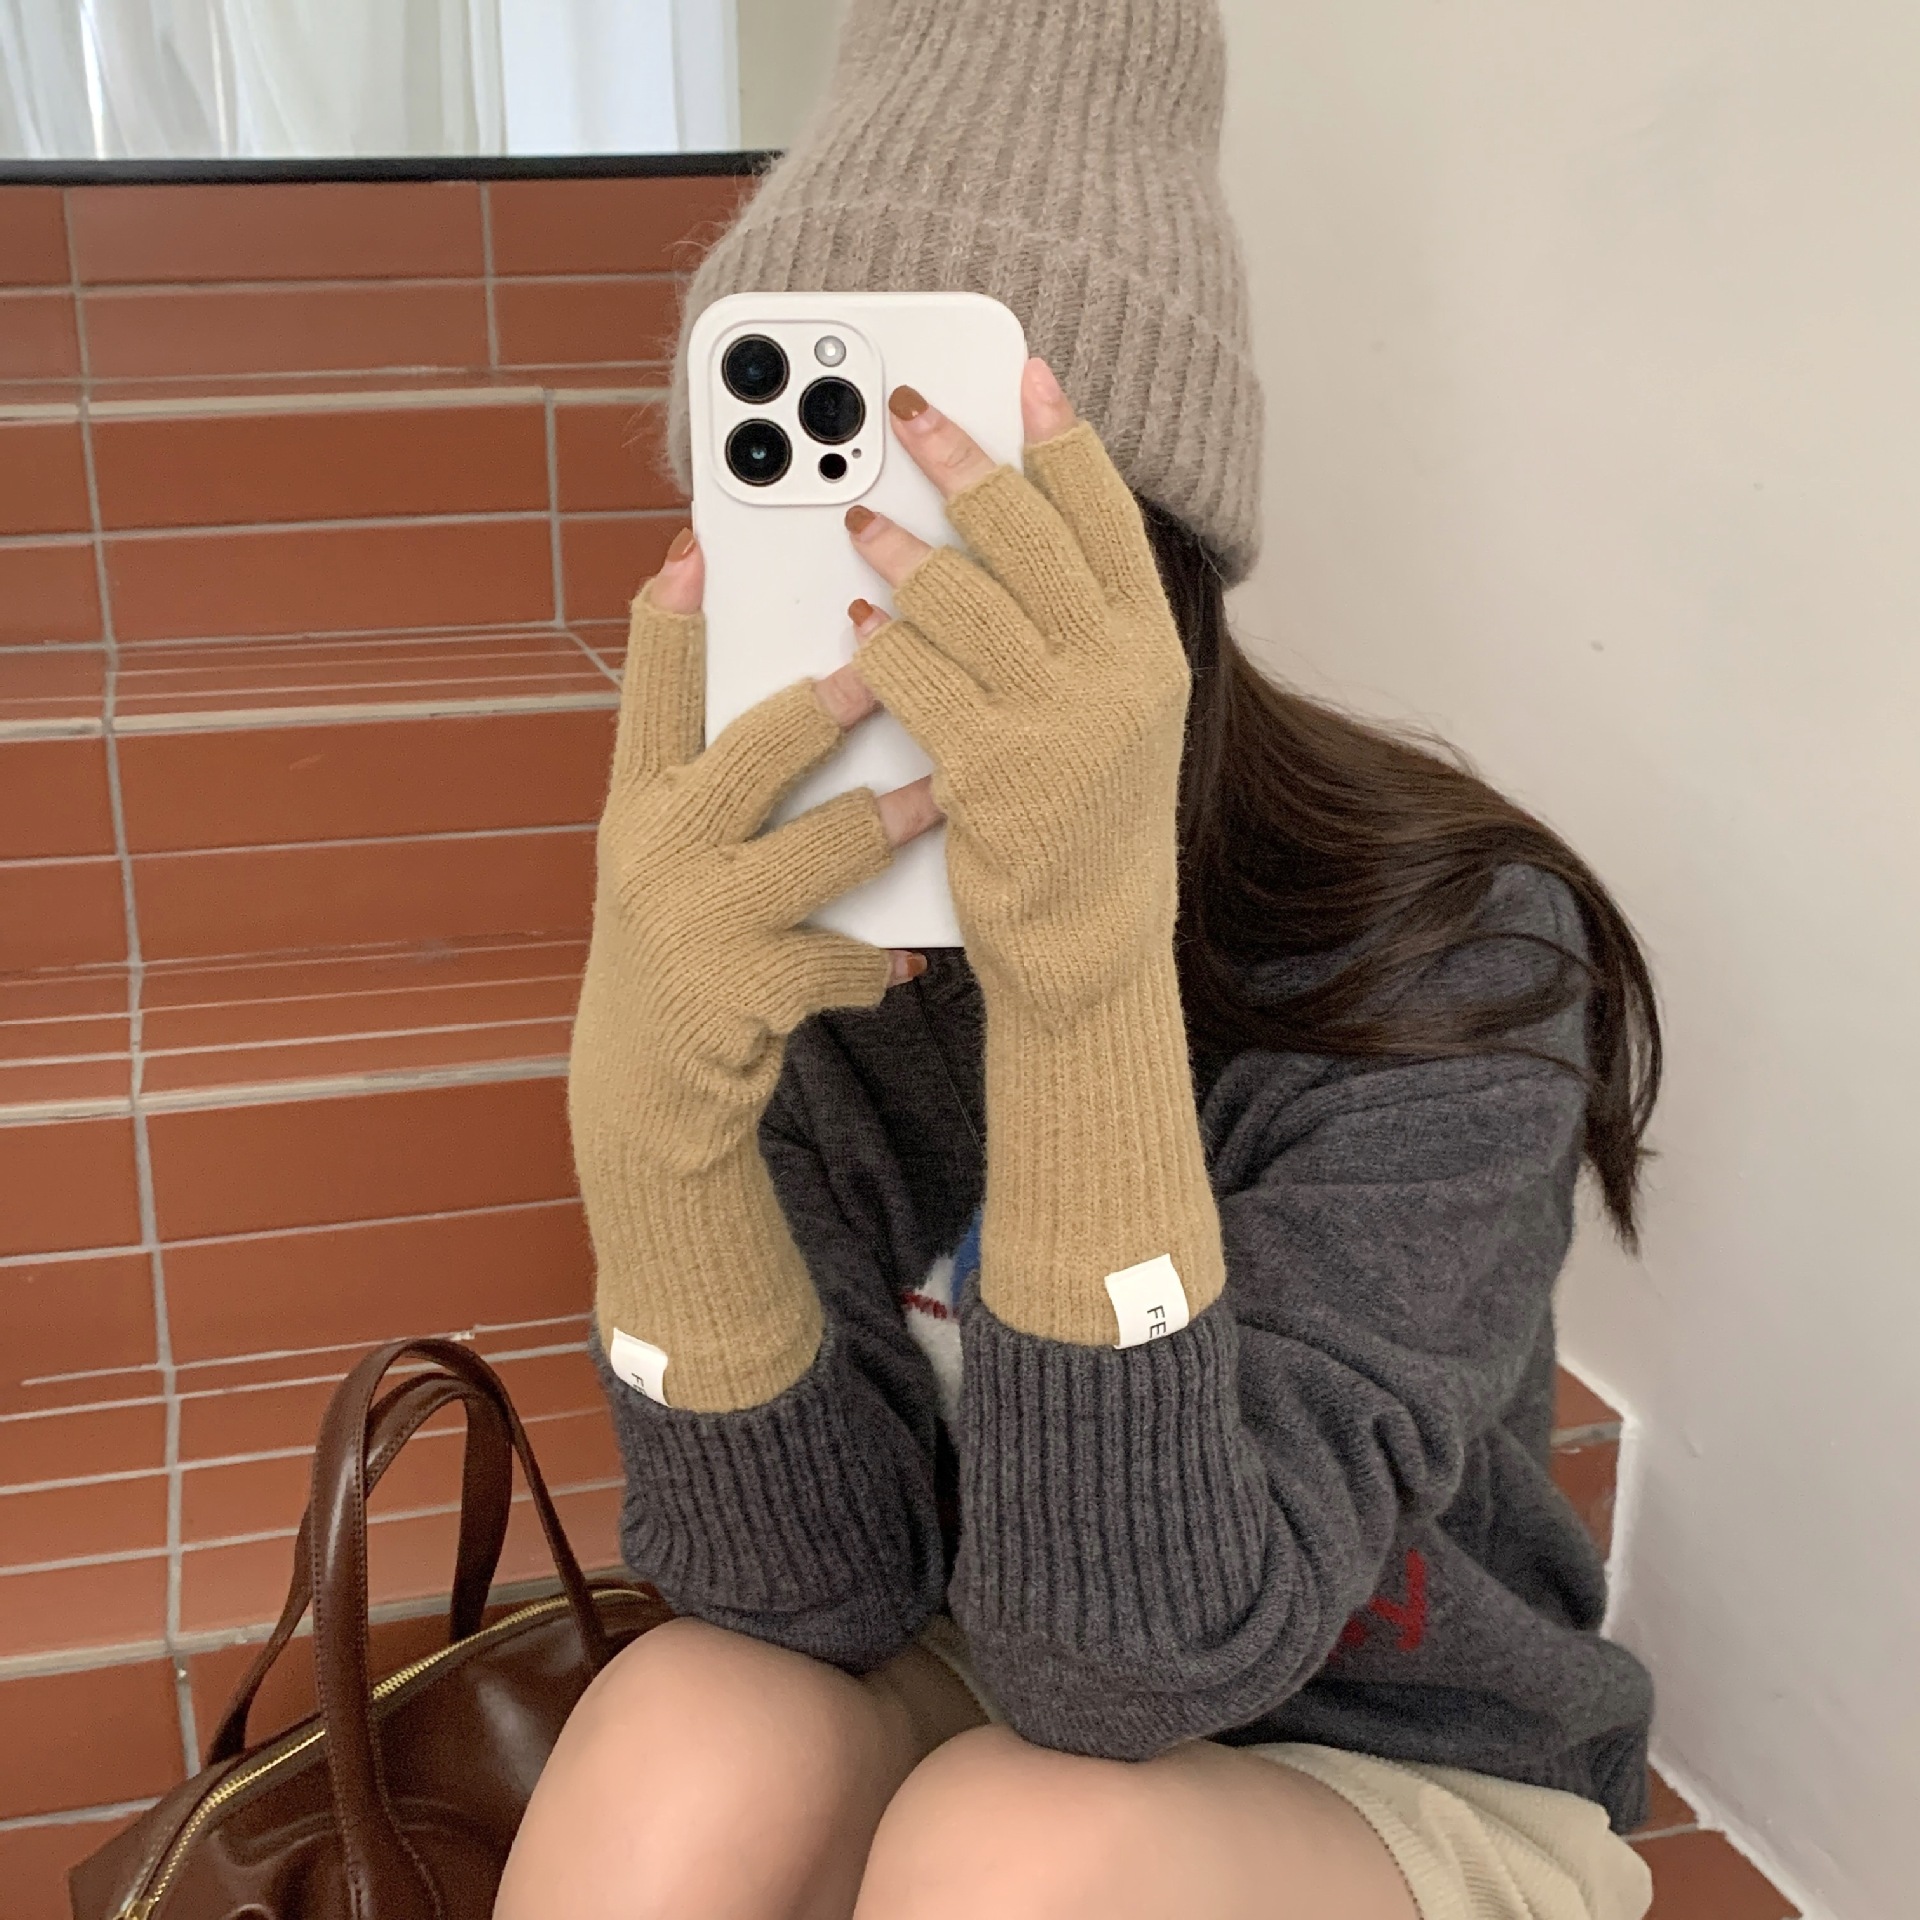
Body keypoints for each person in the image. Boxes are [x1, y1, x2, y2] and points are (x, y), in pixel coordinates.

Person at [495, 3, 1660, 1916]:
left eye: (958, 528)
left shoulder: (1449, 945)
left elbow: (1121, 1672)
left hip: (1393, 1751)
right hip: (988, 1668)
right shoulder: (804, 941)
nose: (878, 607)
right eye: (805, 521)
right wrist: (656, 1143)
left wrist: (1081, 990)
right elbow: (806, 1599)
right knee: (687, 1718)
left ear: (1151, 560)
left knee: (1026, 1840)